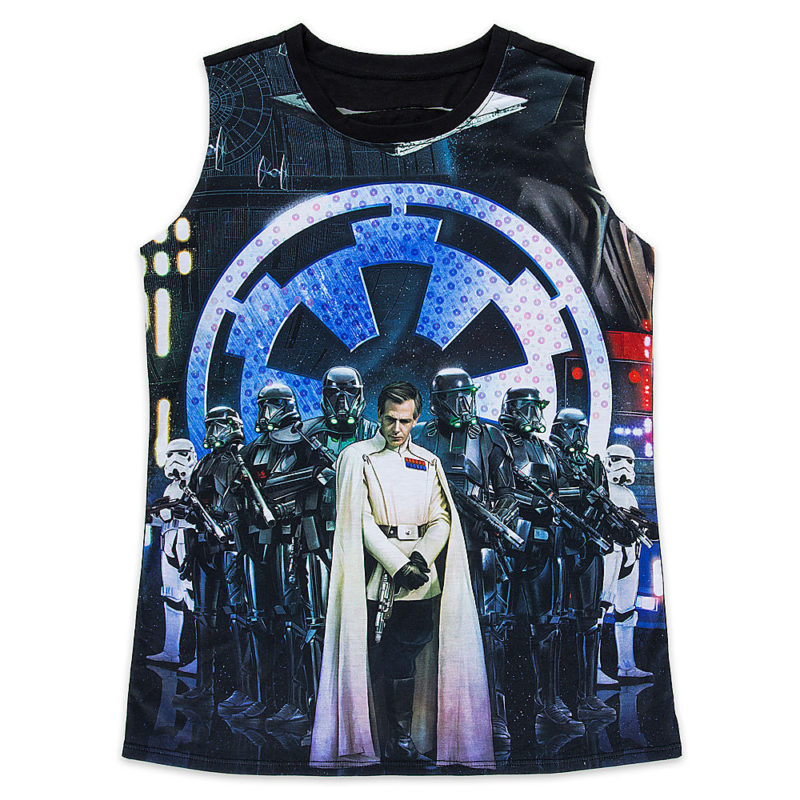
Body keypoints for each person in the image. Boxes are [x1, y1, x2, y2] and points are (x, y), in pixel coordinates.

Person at [310, 381, 493, 769]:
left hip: (420, 577)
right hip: (377, 574)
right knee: (380, 655)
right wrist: (397, 565)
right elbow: (359, 519)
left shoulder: (428, 461)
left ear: (416, 418)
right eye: (391, 419)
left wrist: (422, 559)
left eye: (406, 421)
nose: (397, 428)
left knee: (410, 651)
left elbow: (441, 517)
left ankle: (404, 739)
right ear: (378, 416)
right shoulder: (356, 457)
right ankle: (389, 740)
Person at [598, 444, 653, 683]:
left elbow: (637, 523)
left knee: (626, 612)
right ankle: (594, 669)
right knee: (599, 610)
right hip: (610, 552)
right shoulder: (602, 490)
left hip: (631, 554)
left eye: (630, 461)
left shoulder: (628, 494)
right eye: (620, 459)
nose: (626, 465)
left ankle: (627, 666)